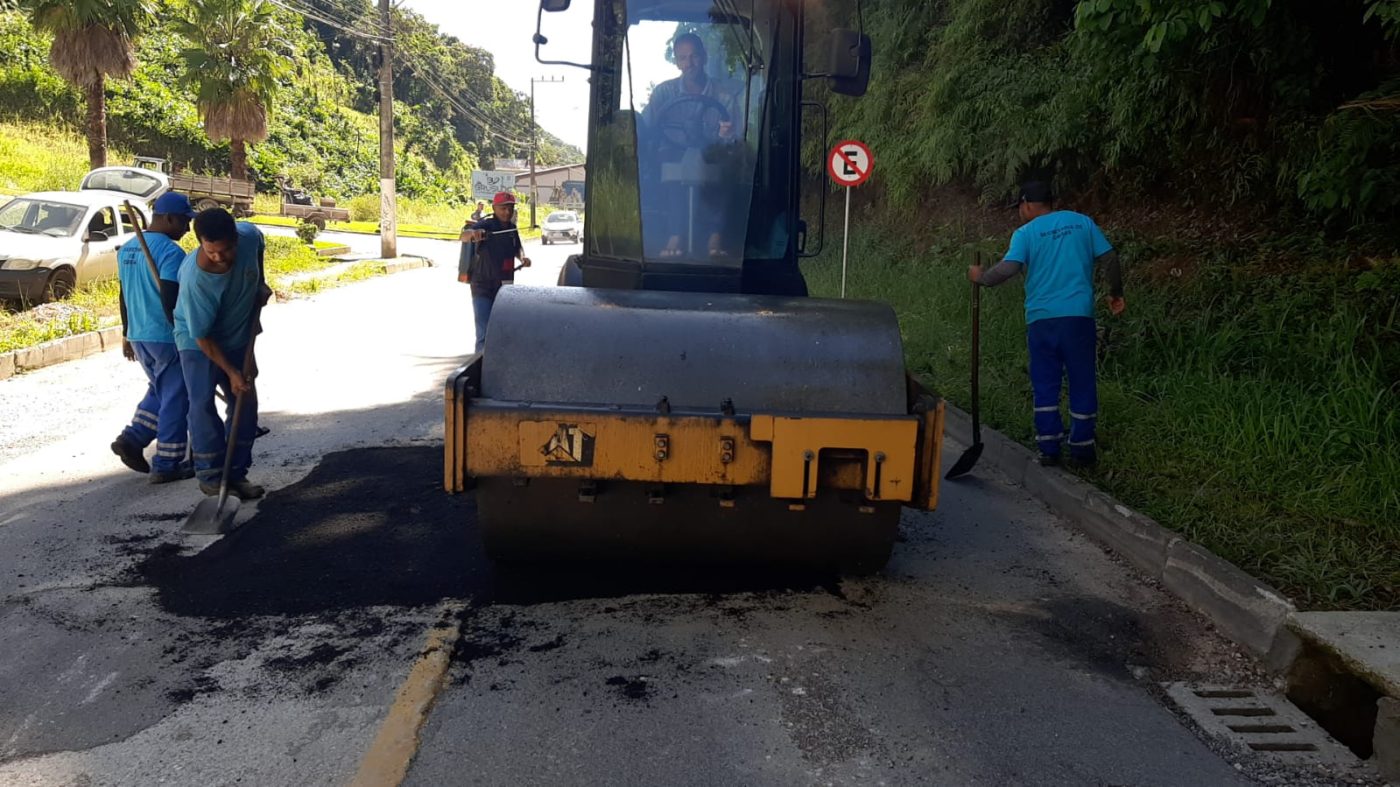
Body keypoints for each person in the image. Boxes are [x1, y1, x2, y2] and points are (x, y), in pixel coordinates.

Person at [968, 181, 1125, 468]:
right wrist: (1116, 293)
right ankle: (1082, 448)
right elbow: (1110, 258)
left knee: (1045, 382)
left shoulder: (1025, 233)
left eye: (1019, 207)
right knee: (1082, 380)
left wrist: (981, 278)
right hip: (1078, 317)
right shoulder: (1082, 223)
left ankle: (1049, 447)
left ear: (1026, 204)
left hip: (1042, 320)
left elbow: (1009, 268)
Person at [174, 208, 268, 499]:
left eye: (226, 250)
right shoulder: (196, 279)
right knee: (202, 404)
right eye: (211, 251)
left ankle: (236, 475)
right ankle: (212, 476)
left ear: (236, 239)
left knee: (246, 404)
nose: (219, 257)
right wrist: (231, 371)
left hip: (239, 336)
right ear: (201, 243)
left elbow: (258, 247)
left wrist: (260, 281)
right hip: (198, 343)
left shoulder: (249, 237)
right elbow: (203, 337)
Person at [110, 193, 199, 483]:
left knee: (160, 389)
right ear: (170, 218)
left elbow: (123, 296)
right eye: (185, 221)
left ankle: (133, 438)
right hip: (165, 335)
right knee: (177, 396)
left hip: (139, 334)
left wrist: (126, 333)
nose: (187, 229)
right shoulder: (172, 253)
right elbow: (171, 297)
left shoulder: (128, 248)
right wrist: (187, 335)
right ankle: (167, 463)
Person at [642, 33, 742, 259]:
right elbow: (648, 129)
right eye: (683, 58)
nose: (689, 64)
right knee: (669, 161)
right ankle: (674, 234)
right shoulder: (663, 93)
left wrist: (728, 134)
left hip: (712, 154)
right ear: (676, 62)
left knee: (727, 161)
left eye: (694, 56)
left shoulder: (725, 97)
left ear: (704, 58)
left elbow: (735, 139)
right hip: (672, 154)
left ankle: (715, 235)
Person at [460, 192, 531, 354]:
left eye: (510, 208)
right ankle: (480, 366)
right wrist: (473, 234)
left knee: (502, 330)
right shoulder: (486, 225)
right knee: (483, 333)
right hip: (482, 286)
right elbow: (464, 236)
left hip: (505, 288)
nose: (507, 212)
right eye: (503, 208)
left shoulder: (512, 228)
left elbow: (517, 248)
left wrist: (523, 258)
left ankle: (498, 363)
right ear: (494, 208)